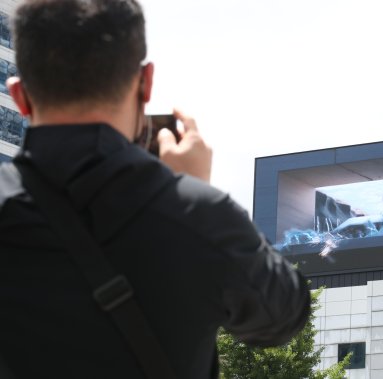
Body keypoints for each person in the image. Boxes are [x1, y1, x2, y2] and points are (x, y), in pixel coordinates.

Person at [0, 0, 310, 378]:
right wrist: (191, 195)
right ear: (145, 83)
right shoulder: (199, 215)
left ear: (19, 95)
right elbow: (283, 317)